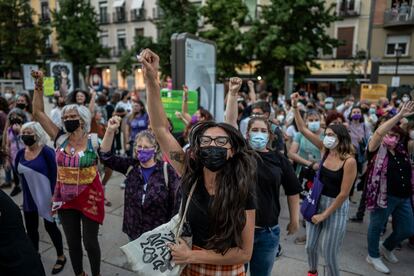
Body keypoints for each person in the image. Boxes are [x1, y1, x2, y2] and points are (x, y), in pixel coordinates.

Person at [139, 49, 257, 275]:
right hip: (189, 267)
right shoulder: (189, 173)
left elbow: (244, 253)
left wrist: (192, 254)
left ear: (232, 151)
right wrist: (152, 80)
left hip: (226, 269)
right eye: (206, 141)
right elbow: (160, 129)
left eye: (221, 141)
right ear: (197, 149)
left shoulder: (243, 188)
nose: (213, 145)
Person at [32, 70, 104, 276]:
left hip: (90, 197)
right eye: (65, 117)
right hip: (65, 198)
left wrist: (105, 181)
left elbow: (109, 163)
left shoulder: (93, 140)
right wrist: (38, 85)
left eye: (72, 116)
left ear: (81, 119)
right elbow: (38, 113)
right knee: (73, 244)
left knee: (90, 243)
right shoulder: (59, 138)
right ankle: (79, 273)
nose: (68, 119)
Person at [226, 77, 301, 276]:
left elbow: (293, 191)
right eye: (254, 130)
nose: (259, 134)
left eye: (263, 131)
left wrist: (295, 219)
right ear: (247, 134)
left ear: (269, 135)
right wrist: (233, 94)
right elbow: (230, 123)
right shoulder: (240, 154)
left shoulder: (280, 160)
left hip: (267, 232)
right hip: (238, 230)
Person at [291, 92, 357, 276]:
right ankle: (312, 272)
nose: (327, 137)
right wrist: (295, 107)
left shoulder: (349, 161)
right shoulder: (324, 150)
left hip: (335, 207)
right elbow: (303, 129)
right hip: (317, 200)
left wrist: (324, 215)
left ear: (341, 138)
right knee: (310, 248)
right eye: (326, 134)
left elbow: (344, 194)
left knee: (329, 254)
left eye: (331, 135)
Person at [100, 120, 181, 240]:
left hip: (158, 233)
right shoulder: (131, 166)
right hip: (134, 229)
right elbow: (105, 157)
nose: (142, 150)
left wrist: (172, 230)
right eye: (139, 146)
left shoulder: (167, 170)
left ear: (155, 149)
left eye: (146, 147)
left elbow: (177, 202)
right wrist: (110, 130)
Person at [365, 102, 414, 274]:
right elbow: (379, 132)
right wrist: (399, 115)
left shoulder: (402, 149)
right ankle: (373, 255)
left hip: (404, 196)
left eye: (395, 135)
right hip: (383, 196)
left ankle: (386, 247)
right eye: (389, 134)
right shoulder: (375, 147)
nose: (391, 137)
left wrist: (408, 118)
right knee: (376, 226)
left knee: (408, 228)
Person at [15, 122, 66, 274]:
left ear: (37, 134)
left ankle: (61, 256)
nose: (25, 135)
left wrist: (55, 197)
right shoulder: (19, 153)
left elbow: (57, 176)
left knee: (51, 228)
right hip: (29, 199)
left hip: (46, 198)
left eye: (29, 132)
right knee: (31, 230)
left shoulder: (47, 152)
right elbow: (18, 173)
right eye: (24, 132)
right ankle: (35, 254)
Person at [4, 108, 27, 196]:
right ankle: (18, 187)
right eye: (12, 116)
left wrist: (19, 131)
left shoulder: (26, 128)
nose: (15, 118)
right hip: (14, 158)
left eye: (17, 116)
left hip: (25, 158)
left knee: (26, 180)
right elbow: (7, 145)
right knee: (17, 176)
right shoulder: (9, 130)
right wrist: (7, 159)